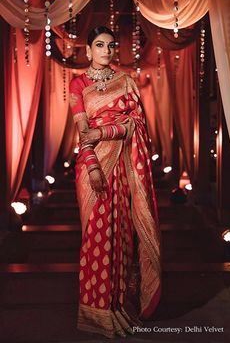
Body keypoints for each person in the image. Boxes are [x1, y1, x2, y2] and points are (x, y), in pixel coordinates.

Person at [69, 26, 162, 339]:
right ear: (88, 49)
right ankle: (96, 311)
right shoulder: (78, 83)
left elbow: (136, 125)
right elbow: (83, 131)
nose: (106, 51)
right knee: (96, 237)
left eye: (110, 45)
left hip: (121, 166)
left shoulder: (126, 81)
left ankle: (118, 307)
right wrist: (93, 166)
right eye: (99, 45)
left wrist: (105, 133)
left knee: (120, 236)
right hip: (92, 168)